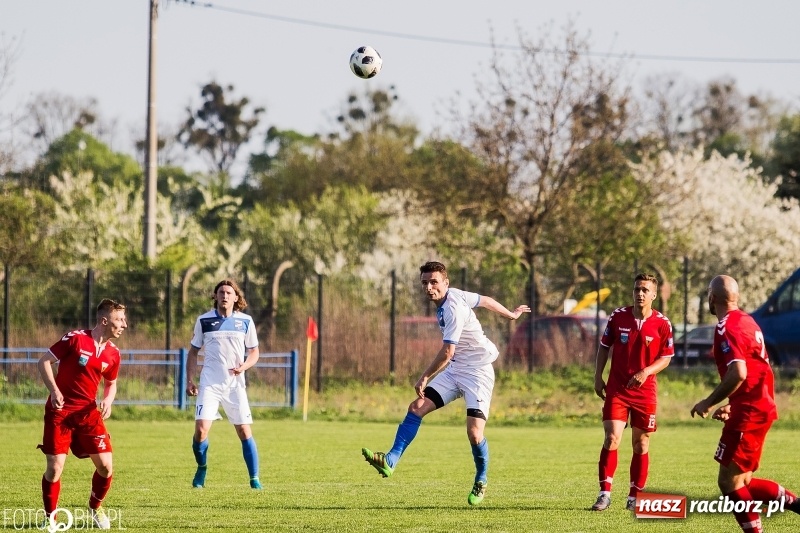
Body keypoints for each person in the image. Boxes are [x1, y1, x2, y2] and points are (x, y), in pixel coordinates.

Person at [361, 261, 530, 505]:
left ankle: (481, 479)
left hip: (477, 372)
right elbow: (485, 300)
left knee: (474, 433)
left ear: (445, 283)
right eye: (425, 283)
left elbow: (448, 351)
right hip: (456, 369)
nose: (429, 287)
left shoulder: (452, 308)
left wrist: (425, 376)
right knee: (416, 408)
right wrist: (511, 315)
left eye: (434, 282)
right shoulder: (457, 294)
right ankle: (390, 461)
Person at [691, 275, 800, 532]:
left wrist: (708, 401)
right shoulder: (749, 321)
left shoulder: (726, 327)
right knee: (744, 481)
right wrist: (734, 402)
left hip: (749, 413)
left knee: (729, 483)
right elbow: (757, 370)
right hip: (757, 406)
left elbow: (739, 372)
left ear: (712, 298)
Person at [37, 298, 128, 530]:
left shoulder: (113, 354)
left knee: (106, 467)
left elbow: (111, 383)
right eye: (120, 319)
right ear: (104, 320)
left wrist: (108, 399)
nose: (124, 325)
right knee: (55, 468)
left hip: (88, 414)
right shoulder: (76, 338)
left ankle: (94, 509)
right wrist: (54, 391)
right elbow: (44, 362)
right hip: (60, 412)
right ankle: (51, 519)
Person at [592, 273, 674, 512]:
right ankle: (604, 493)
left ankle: (634, 496)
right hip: (618, 389)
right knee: (612, 438)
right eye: (637, 289)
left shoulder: (662, 323)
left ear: (654, 295)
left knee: (641, 444)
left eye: (645, 290)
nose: (640, 293)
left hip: (645, 392)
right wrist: (598, 376)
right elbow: (604, 347)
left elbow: (666, 357)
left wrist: (646, 372)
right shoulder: (618, 317)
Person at [186, 279, 262, 489]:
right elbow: (193, 352)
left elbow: (254, 351)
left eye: (229, 292)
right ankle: (202, 468)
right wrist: (190, 380)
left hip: (235, 385)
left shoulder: (245, 321)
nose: (225, 296)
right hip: (210, 383)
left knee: (244, 432)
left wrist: (244, 366)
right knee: (201, 431)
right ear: (215, 296)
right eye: (221, 292)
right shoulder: (204, 320)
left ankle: (254, 480)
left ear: (236, 297)